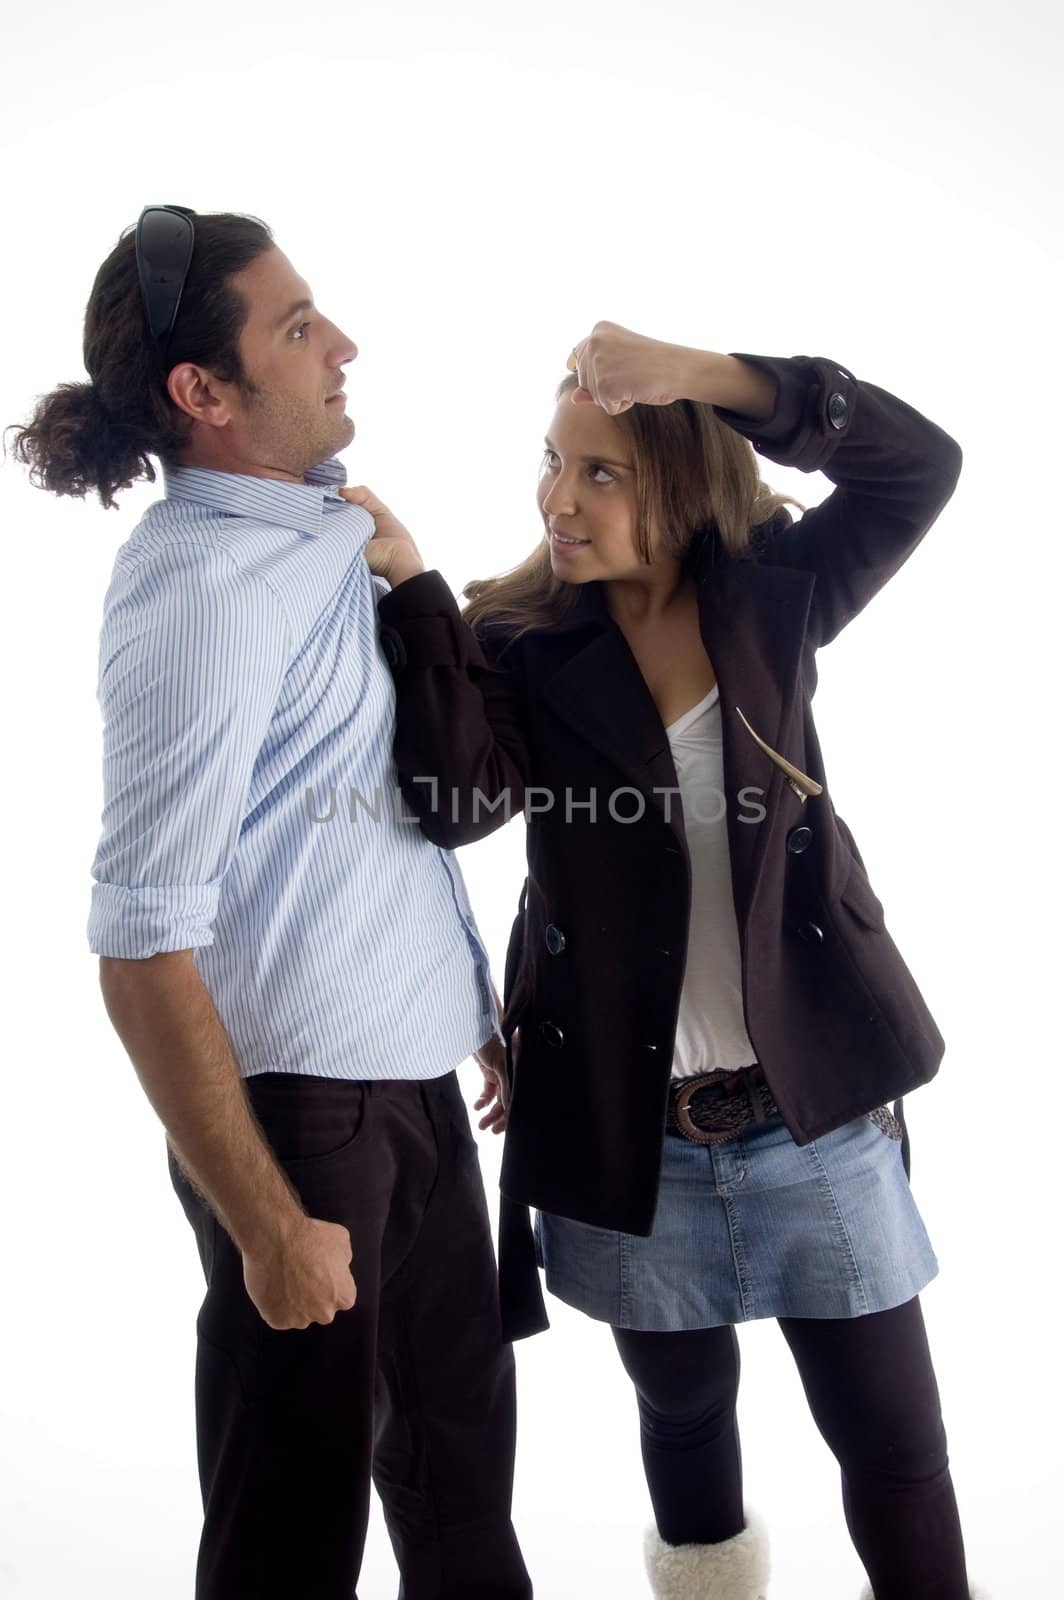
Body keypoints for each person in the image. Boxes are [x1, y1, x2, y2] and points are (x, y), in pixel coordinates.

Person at [348, 325, 987, 1600]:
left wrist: (709, 376)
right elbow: (452, 801)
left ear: (681, 485)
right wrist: (418, 594)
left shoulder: (773, 596)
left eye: (600, 473)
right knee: (685, 1425)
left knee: (897, 1453)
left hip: (813, 1117)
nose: (556, 497)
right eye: (551, 462)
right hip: (629, 1133)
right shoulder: (519, 640)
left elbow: (917, 465)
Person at [8, 206, 533, 1600]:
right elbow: (138, 948)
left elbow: (372, 820)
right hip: (303, 1133)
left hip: (409, 1093)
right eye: (297, 328)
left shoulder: (318, 535)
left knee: (465, 1505)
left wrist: (463, 1012)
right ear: (205, 394)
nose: (342, 346)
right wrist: (265, 1226)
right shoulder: (201, 593)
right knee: (290, 1545)